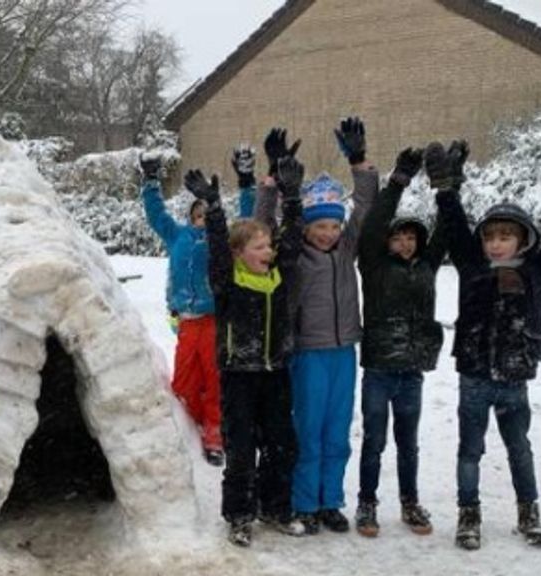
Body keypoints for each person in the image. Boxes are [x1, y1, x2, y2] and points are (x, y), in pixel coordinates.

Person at [427, 140, 541, 550]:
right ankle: (468, 513)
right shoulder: (472, 266)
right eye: (490, 236)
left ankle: (528, 512)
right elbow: (455, 225)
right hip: (474, 377)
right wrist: (444, 188)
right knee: (469, 451)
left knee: (520, 449)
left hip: (515, 378)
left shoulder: (537, 271)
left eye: (505, 236)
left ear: (523, 239)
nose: (496, 243)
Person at [256, 120, 379, 534]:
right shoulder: (292, 253)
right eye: (320, 226)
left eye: (334, 225)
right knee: (308, 431)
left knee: (337, 432)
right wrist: (272, 177)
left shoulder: (346, 249)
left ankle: (330, 501)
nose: (328, 233)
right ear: (306, 226)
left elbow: (366, 206)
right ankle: (304, 502)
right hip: (308, 352)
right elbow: (262, 225)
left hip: (343, 352)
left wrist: (358, 161)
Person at [187, 148, 307, 547]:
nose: (268, 252)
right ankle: (239, 514)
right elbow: (218, 250)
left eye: (268, 246)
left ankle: (275, 507)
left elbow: (292, 239)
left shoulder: (279, 277)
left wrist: (292, 196)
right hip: (238, 376)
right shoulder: (227, 281)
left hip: (275, 373)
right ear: (239, 253)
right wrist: (214, 210)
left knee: (281, 446)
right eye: (259, 247)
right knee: (241, 451)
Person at [139, 145, 259, 465]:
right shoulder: (177, 236)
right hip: (186, 321)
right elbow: (156, 215)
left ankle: (215, 435)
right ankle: (190, 428)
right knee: (184, 381)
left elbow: (248, 219)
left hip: (214, 320)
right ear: (192, 217)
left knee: (215, 379)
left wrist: (247, 182)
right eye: (198, 215)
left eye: (208, 215)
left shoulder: (224, 240)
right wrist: (150, 181)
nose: (203, 220)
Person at [353, 147, 445, 537]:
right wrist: (397, 183)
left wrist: (448, 184)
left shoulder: (427, 265)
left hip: (411, 372)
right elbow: (374, 225)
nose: (405, 243)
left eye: (411, 237)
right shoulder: (374, 266)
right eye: (398, 237)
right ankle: (366, 503)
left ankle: (410, 502)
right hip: (379, 369)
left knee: (409, 444)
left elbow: (448, 227)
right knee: (374, 441)